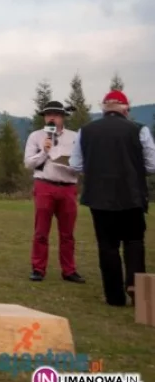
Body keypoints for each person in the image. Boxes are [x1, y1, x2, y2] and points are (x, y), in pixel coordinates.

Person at [69, 89, 155, 307]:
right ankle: (137, 291)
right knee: (134, 242)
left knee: (107, 246)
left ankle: (114, 297)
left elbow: (76, 165)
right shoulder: (139, 130)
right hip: (132, 194)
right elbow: (152, 165)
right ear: (126, 109)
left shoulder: (85, 131)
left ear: (104, 109)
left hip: (99, 197)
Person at [22, 101, 85, 283]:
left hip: (68, 186)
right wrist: (44, 151)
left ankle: (69, 270)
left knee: (67, 233)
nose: (51, 117)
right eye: (48, 114)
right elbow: (28, 163)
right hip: (44, 185)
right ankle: (38, 268)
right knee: (41, 231)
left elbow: (82, 162)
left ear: (62, 117)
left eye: (56, 114)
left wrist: (73, 164)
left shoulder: (74, 137)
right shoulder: (36, 136)